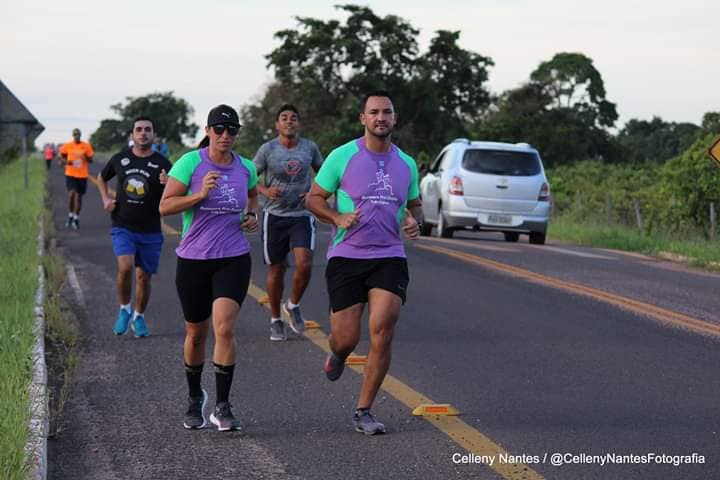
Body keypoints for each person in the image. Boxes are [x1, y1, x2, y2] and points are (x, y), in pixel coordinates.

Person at [306, 90, 423, 435]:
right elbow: (313, 198)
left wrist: (414, 220)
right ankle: (339, 354)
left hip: (389, 255)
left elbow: (414, 205)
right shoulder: (342, 157)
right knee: (345, 337)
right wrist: (336, 216)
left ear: (394, 119)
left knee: (383, 329)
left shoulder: (407, 163)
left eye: (387, 112)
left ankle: (364, 410)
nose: (380, 118)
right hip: (347, 256)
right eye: (374, 112)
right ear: (363, 118)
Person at [159, 105, 259, 432]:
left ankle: (222, 405)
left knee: (225, 329)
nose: (225, 136)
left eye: (232, 130)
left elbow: (253, 196)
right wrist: (200, 194)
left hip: (233, 257)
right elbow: (165, 207)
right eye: (219, 129)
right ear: (208, 130)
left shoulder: (246, 167)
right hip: (194, 260)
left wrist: (252, 216)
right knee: (195, 333)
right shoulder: (191, 163)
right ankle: (193, 398)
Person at [253, 104, 323, 341]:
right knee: (277, 268)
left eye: (294, 118)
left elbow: (324, 175)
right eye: (284, 118)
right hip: (274, 216)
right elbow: (249, 176)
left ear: (298, 123)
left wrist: (314, 191)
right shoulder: (268, 149)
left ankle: (292, 304)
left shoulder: (309, 148)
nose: (289, 121)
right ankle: (275, 319)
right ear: (277, 124)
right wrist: (264, 190)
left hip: (301, 215)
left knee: (304, 263)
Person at [97, 117, 172, 338]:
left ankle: (138, 316)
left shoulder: (163, 163)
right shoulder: (120, 159)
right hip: (123, 224)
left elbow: (178, 190)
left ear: (154, 135)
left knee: (143, 278)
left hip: (150, 229)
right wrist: (105, 200)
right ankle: (124, 309)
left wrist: (168, 183)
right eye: (138, 130)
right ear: (132, 135)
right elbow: (101, 178)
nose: (143, 133)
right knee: (126, 267)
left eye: (147, 130)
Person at [58, 128, 95, 229]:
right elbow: (61, 157)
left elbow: (91, 160)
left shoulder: (86, 146)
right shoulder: (67, 146)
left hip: (82, 175)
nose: (76, 136)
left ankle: (76, 218)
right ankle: (70, 215)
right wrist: (65, 162)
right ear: (72, 136)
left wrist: (85, 157)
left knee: (79, 197)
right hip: (70, 174)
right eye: (75, 135)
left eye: (78, 135)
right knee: (71, 195)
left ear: (80, 135)